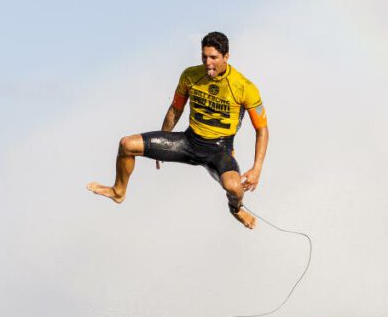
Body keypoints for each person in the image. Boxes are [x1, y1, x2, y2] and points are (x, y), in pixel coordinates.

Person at [87, 32, 269, 229]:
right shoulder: (190, 76)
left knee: (233, 187)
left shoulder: (244, 87)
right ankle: (118, 191)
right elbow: (176, 109)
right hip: (189, 142)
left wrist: (256, 169)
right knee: (127, 144)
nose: (208, 63)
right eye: (204, 57)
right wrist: (162, 141)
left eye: (214, 58)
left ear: (226, 57)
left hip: (219, 150)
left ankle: (236, 209)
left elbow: (262, 130)